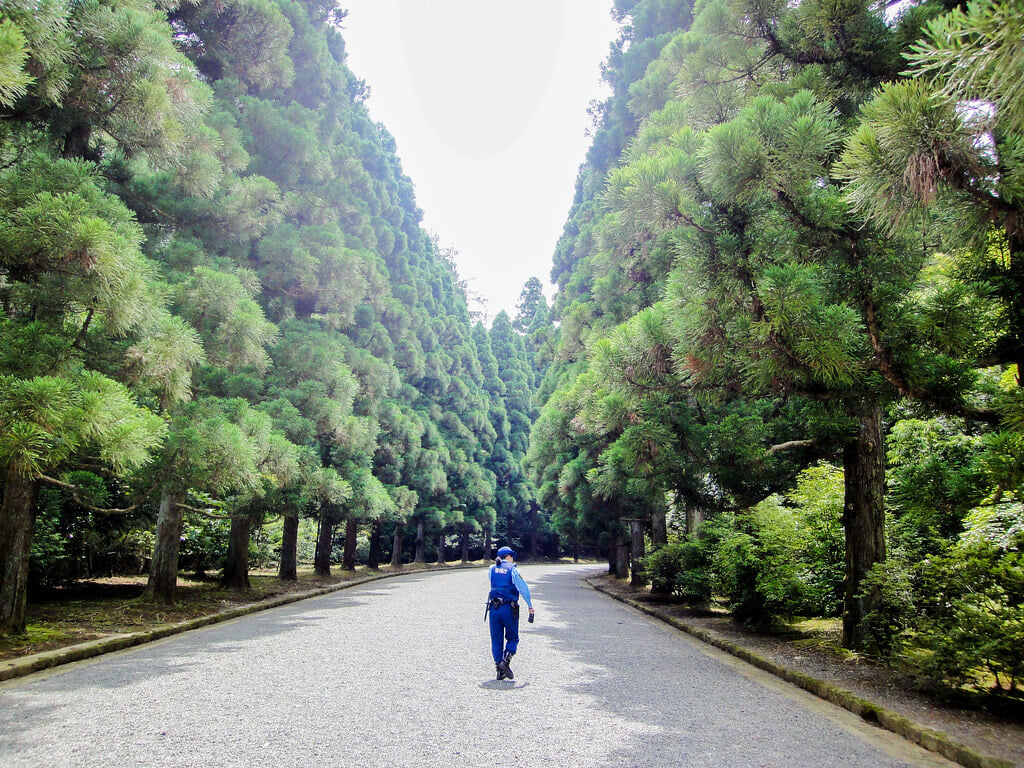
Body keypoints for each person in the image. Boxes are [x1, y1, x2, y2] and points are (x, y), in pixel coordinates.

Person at [486, 546, 535, 681]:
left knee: (496, 639)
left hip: (494, 608)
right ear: (508, 557)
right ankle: (505, 661)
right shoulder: (513, 570)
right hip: (509, 608)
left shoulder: (491, 569)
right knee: (512, 638)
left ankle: (499, 668)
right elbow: (523, 589)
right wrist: (530, 605)